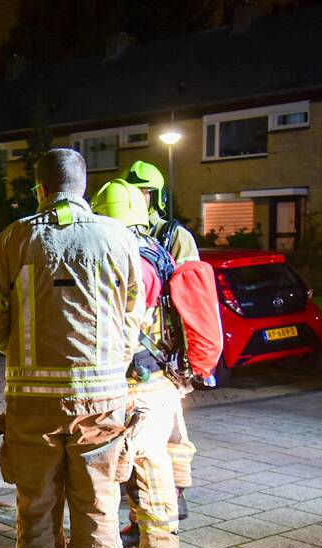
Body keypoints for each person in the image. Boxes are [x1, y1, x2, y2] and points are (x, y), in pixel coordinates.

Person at [0, 148, 144, 548]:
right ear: (83, 186)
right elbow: (136, 313)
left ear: (40, 189)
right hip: (102, 404)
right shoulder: (118, 238)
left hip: (31, 406)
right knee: (98, 510)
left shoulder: (13, 239)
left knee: (36, 511)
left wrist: (22, 350)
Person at [91, 178, 181, 548]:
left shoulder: (134, 262)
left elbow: (125, 328)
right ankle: (144, 532)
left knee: (145, 463)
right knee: (145, 460)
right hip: (154, 377)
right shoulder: (153, 250)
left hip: (140, 381)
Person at [121, 160, 198, 519]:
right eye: (136, 190)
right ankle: (155, 494)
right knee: (150, 430)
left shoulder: (174, 236)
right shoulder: (121, 232)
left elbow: (188, 296)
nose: (141, 196)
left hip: (165, 348)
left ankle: (176, 491)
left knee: (173, 430)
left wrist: (187, 353)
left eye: (147, 190)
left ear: (158, 195)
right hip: (144, 349)